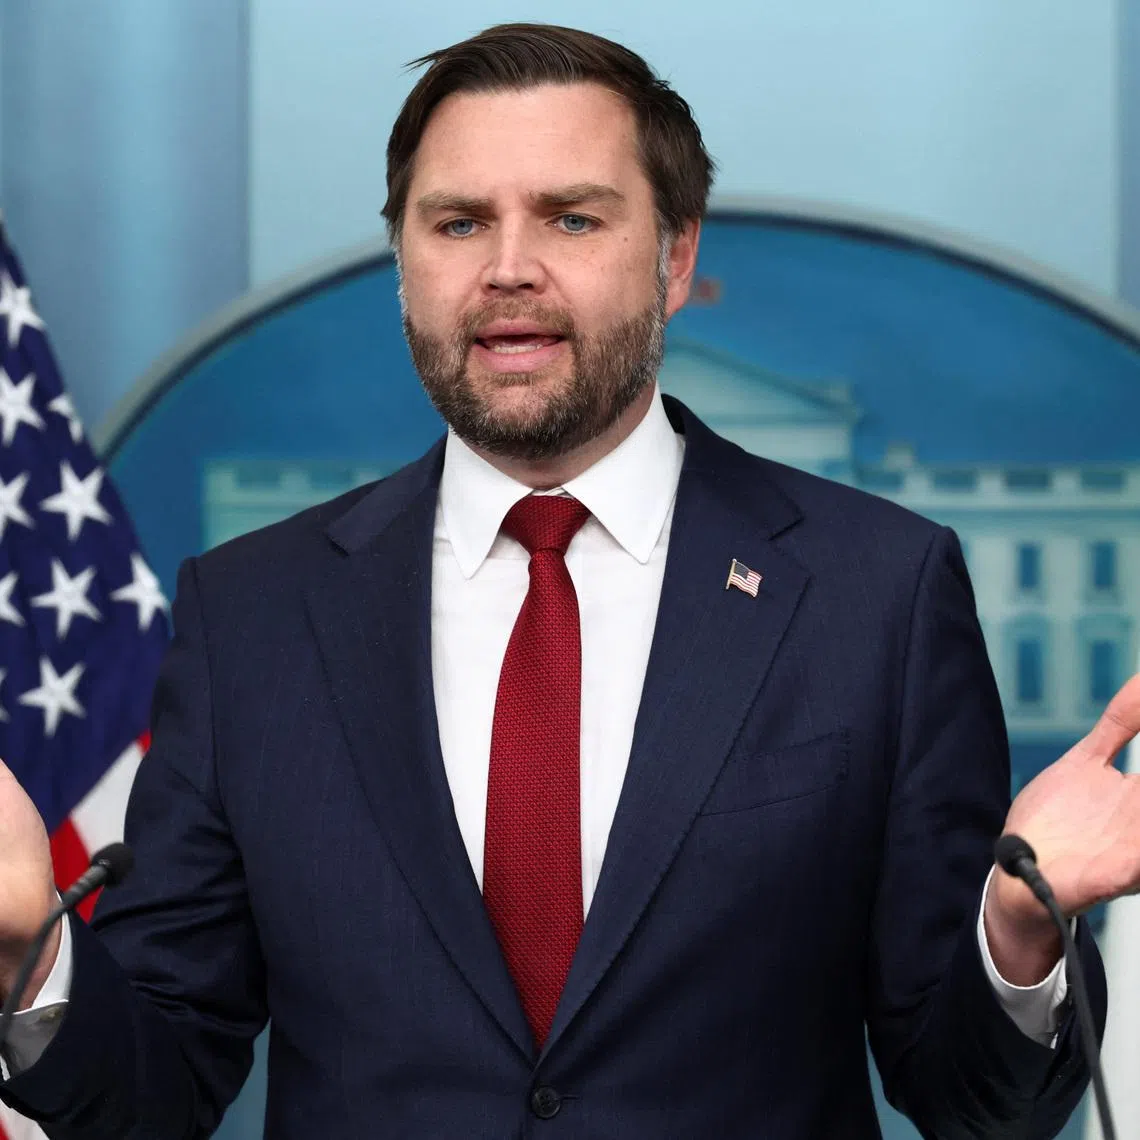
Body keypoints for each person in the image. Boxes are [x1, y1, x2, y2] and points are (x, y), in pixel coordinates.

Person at [0, 22, 1137, 1139]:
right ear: (405, 261)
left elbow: (973, 1103)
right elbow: (148, 1098)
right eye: (456, 222)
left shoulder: (877, 593)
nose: (506, 269)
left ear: (676, 256)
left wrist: (1019, 930)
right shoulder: (250, 614)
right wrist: (32, 954)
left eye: (572, 217)